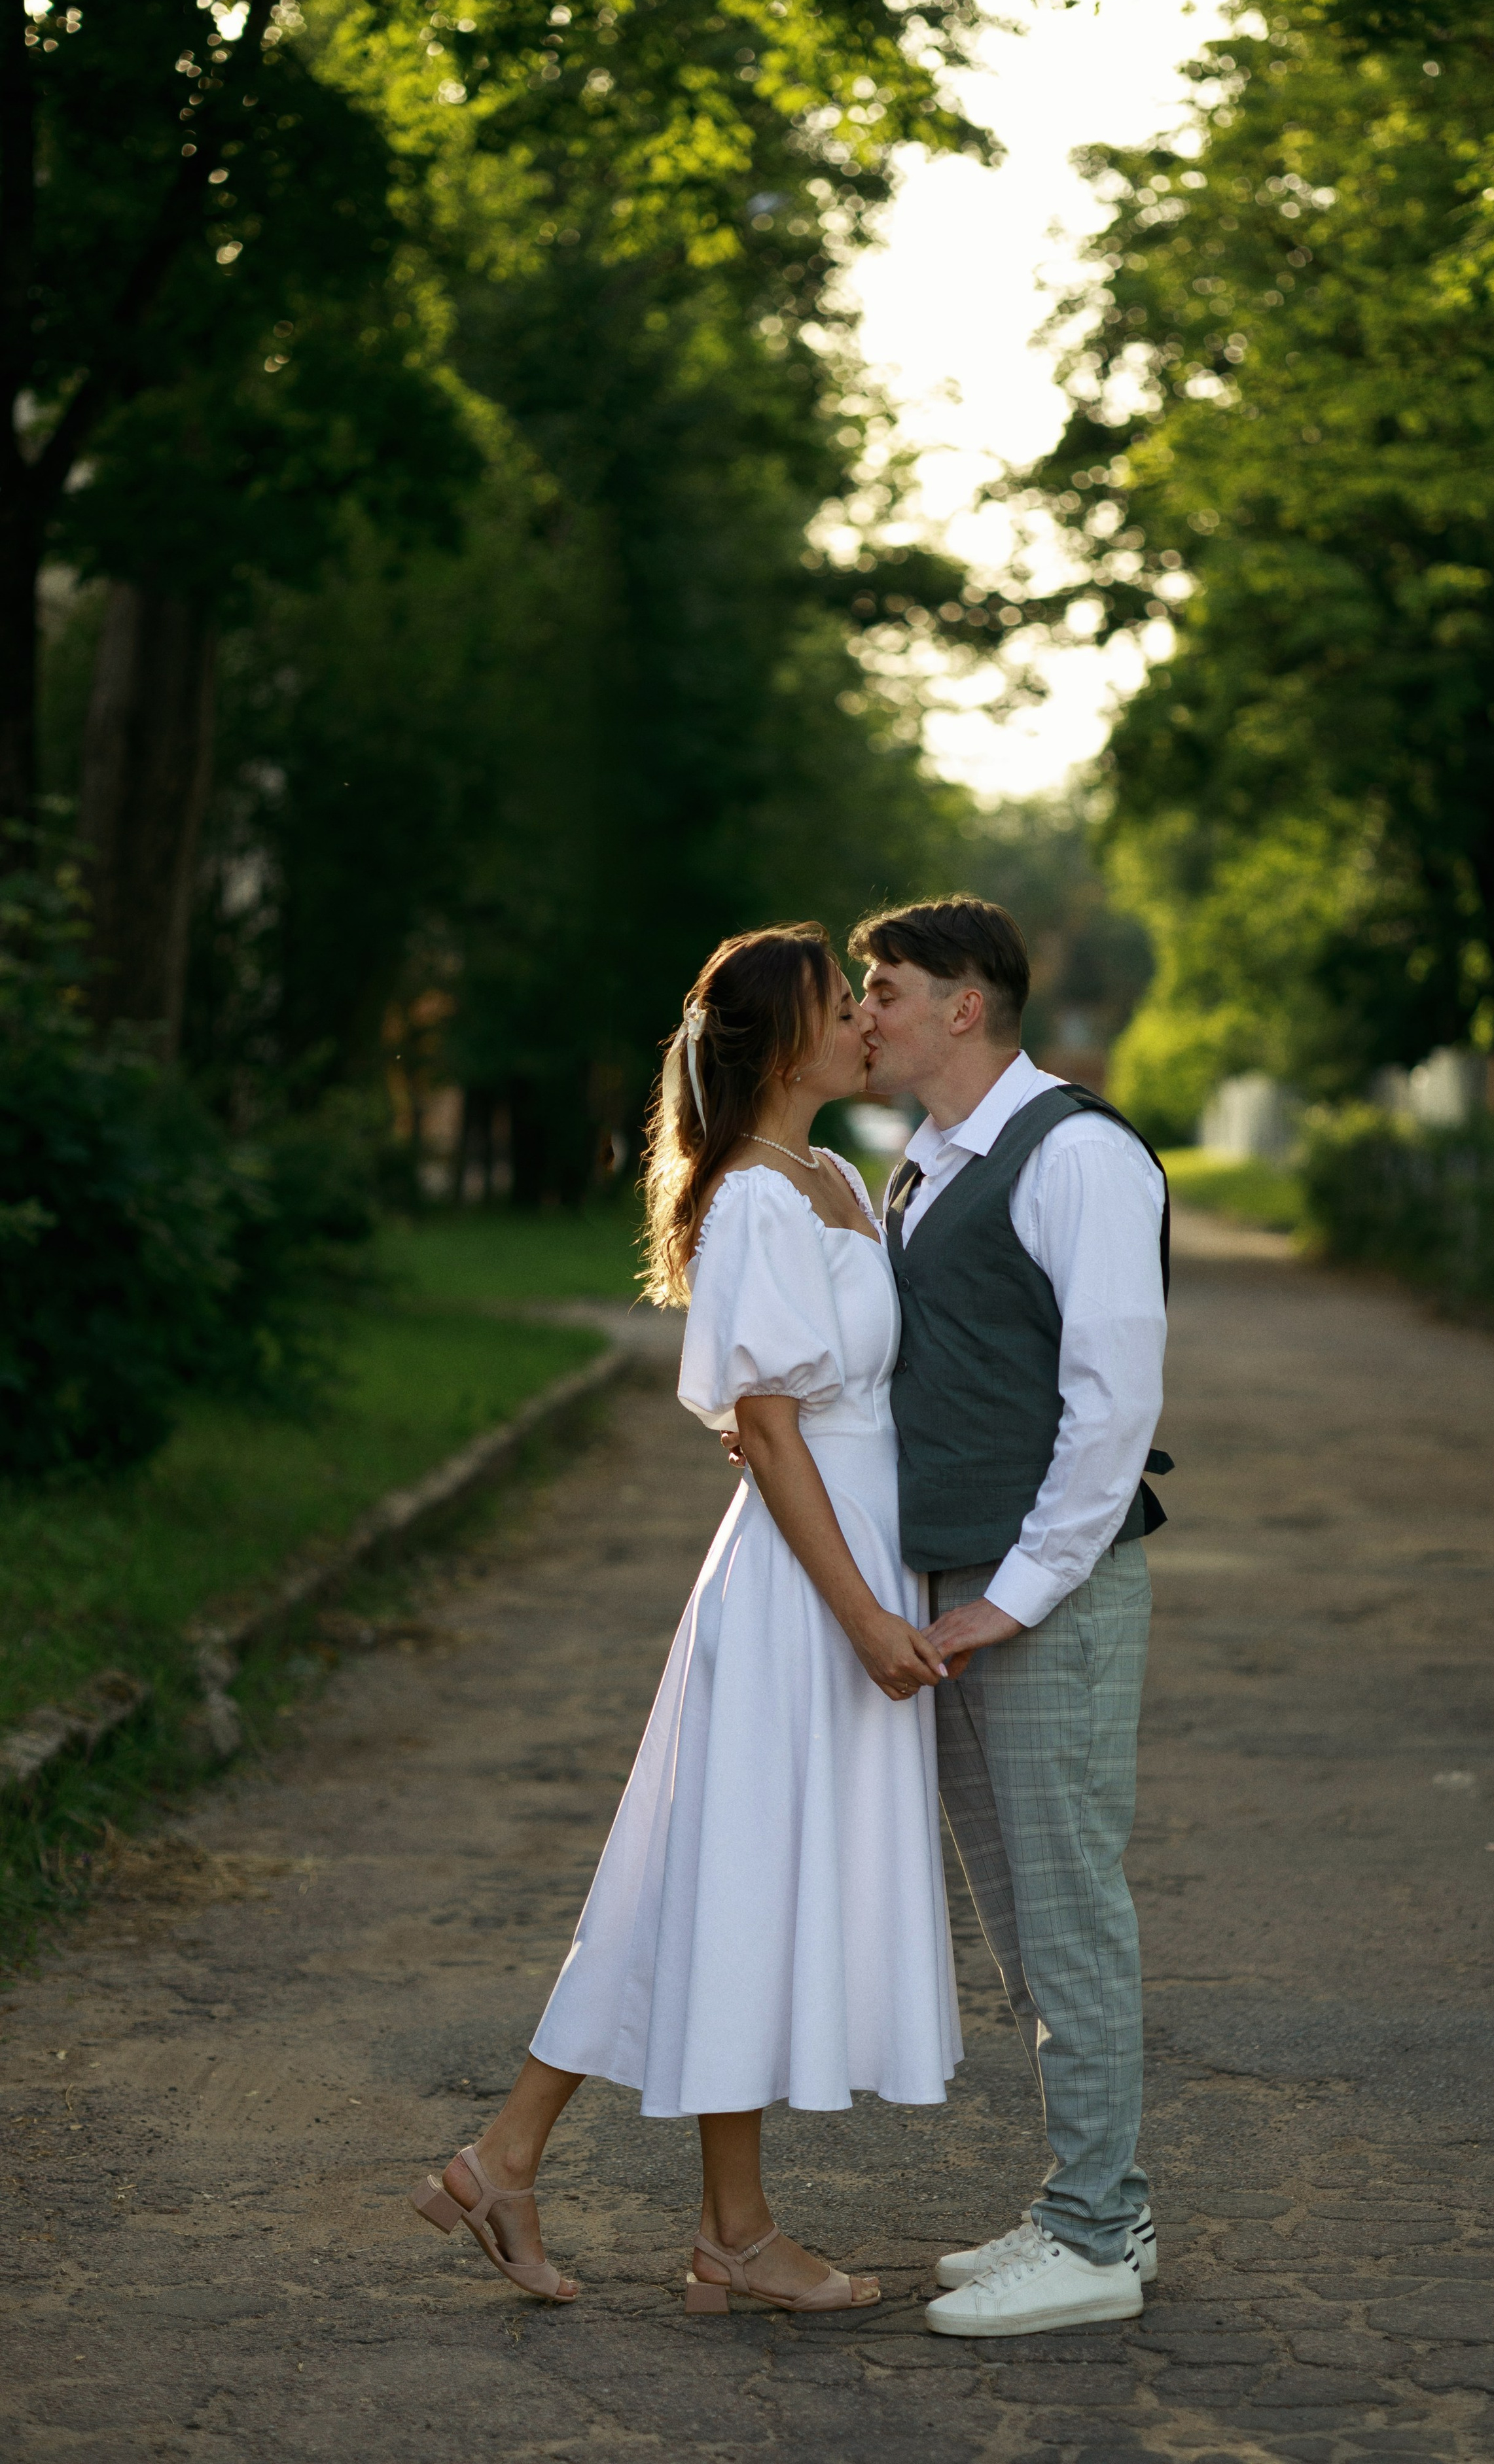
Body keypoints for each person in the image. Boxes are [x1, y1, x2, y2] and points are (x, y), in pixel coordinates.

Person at [410, 922, 960, 2315]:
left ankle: (523, 2163)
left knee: (717, 1879)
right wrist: (859, 1618)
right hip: (798, 1586)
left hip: (853, 1560)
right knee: (732, 1877)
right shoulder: (749, 1203)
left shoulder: (834, 1172)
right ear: (786, 1041)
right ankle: (710, 2224)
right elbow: (769, 1433)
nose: (865, 1023)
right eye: (845, 1004)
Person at [851, 896, 1169, 2340]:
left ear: (963, 1004)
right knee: (1021, 1921)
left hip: (1039, 1594)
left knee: (1069, 1912)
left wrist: (1009, 1601)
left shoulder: (1077, 1154)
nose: (867, 1011)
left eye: (886, 988)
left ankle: (1096, 2235)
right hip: (955, 1593)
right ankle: (1088, 2200)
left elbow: (1113, 1408)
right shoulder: (922, 1159)